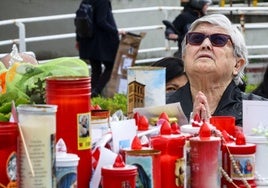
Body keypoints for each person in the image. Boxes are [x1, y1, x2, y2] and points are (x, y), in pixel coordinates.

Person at [166, 14, 250, 127]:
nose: (205, 45)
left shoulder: (259, 110)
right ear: (184, 59)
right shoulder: (158, 107)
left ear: (237, 65)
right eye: (196, 39)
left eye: (219, 40)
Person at [75, 0, 121, 98]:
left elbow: (79, 20)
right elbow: (101, 21)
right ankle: (96, 91)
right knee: (110, 66)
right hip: (101, 41)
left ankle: (90, 93)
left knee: (96, 69)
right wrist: (116, 31)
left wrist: (78, 39)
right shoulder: (103, 1)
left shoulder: (86, 1)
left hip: (87, 40)